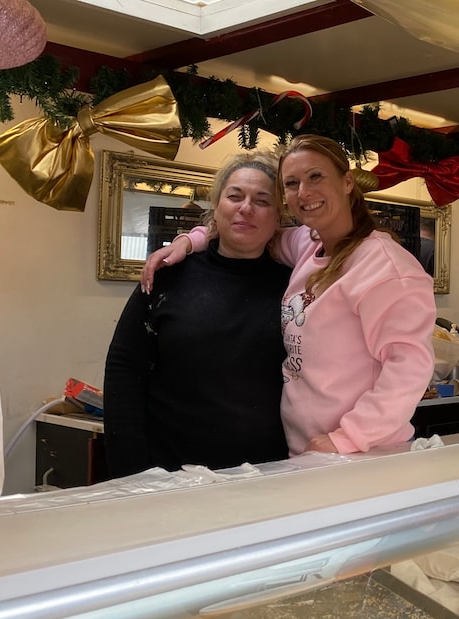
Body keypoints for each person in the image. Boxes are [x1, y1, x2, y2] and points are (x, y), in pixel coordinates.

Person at [142, 135, 436, 456]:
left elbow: (410, 368)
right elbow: (248, 229)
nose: (303, 193)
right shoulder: (309, 245)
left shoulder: (385, 266)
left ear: (348, 181)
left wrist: (348, 437)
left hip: (360, 454)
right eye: (291, 183)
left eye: (315, 177)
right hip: (305, 453)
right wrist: (189, 240)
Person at [104, 152, 292, 477]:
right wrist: (131, 469)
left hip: (266, 474)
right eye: (234, 196)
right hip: (169, 474)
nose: (245, 208)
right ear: (216, 208)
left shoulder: (293, 286)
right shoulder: (168, 276)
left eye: (262, 201)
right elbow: (124, 368)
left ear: (278, 217)